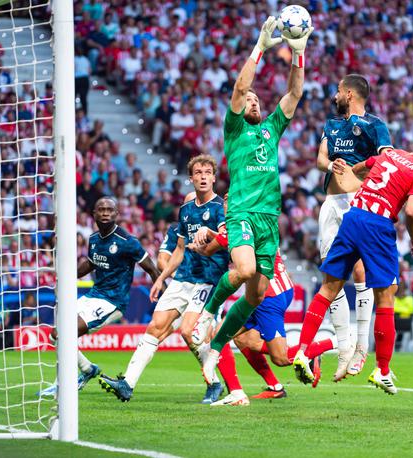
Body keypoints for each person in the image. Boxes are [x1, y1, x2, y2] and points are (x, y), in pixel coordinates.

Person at [198, 16, 313, 385]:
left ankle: (215, 347)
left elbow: (294, 95)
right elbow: (238, 87)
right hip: (243, 212)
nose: (252, 100)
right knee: (245, 271)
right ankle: (209, 311)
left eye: (256, 99)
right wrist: (260, 47)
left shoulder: (270, 129)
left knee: (257, 290)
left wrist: (299, 54)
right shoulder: (234, 131)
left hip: (269, 219)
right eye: (247, 99)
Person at [292, 137, 413, 394]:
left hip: (353, 217)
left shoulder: (392, 155)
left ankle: (302, 351)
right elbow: (412, 211)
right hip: (378, 225)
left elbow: (359, 168)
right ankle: (382, 370)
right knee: (387, 295)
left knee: (328, 289)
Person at [99, 155, 231, 403]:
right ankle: (127, 383)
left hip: (209, 281)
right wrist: (161, 279)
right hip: (182, 279)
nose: (202, 177)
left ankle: (214, 382)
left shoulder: (220, 209)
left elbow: (227, 242)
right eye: (198, 173)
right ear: (190, 178)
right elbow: (179, 249)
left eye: (207, 173)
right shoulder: (186, 210)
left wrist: (209, 240)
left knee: (188, 332)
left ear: (214, 177)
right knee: (155, 327)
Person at [188, 196, 335, 404]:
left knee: (280, 358)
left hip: (269, 297)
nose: (227, 206)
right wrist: (211, 233)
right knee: (242, 339)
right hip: (275, 289)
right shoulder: (253, 220)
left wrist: (197, 244)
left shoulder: (238, 226)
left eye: (230, 202)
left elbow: (210, 249)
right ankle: (261, 389)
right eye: (226, 203)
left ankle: (321, 347)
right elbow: (224, 239)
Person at [37, 196, 161, 398]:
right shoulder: (94, 239)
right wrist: (68, 276)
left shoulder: (128, 242)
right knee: (55, 335)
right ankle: (87, 369)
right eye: (101, 210)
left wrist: (161, 292)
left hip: (112, 302)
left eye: (109, 210)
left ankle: (62, 384)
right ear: (94, 214)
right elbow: (92, 263)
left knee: (66, 334)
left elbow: (152, 269)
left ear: (116, 214)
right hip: (93, 295)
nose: (105, 213)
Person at [316, 74, 393, 381]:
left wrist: (360, 170)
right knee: (330, 273)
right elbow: (321, 158)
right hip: (331, 203)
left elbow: (386, 160)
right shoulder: (331, 125)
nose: (334, 94)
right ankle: (344, 345)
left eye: (338, 90)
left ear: (349, 93)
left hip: (358, 202)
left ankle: (362, 347)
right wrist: (330, 165)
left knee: (360, 272)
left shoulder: (375, 125)